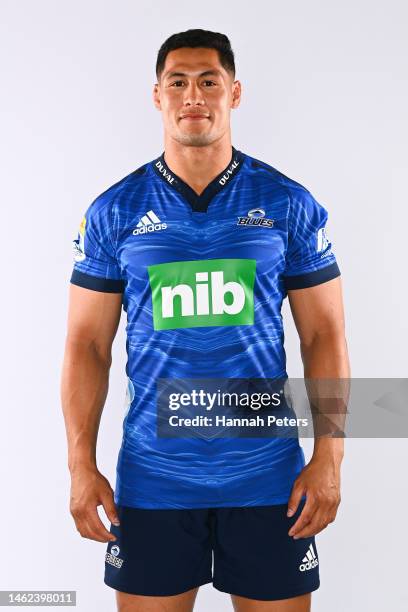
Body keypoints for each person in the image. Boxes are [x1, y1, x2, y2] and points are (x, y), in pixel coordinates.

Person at [61, 28, 350, 612]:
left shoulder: (288, 203)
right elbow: (86, 345)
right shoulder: (114, 210)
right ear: (158, 96)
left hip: (269, 480)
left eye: (208, 81)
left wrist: (329, 458)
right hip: (152, 480)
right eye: (178, 82)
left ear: (234, 93)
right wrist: (79, 466)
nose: (193, 94)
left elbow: (325, 334)